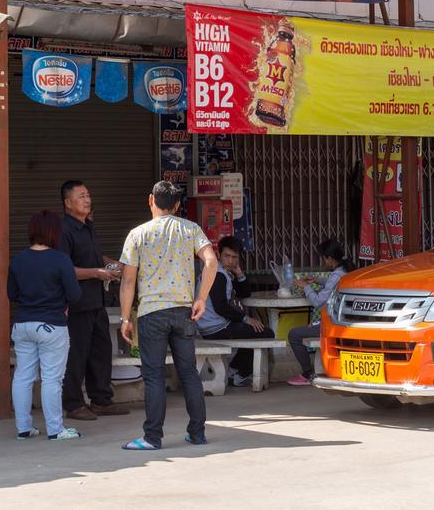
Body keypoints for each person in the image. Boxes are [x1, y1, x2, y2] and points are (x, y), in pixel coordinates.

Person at [118, 181, 218, 451]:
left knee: (153, 375)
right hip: (184, 312)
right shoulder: (191, 229)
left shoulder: (137, 234)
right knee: (188, 373)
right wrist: (202, 298)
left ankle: (152, 438)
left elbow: (128, 281)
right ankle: (197, 433)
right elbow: (211, 261)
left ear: (151, 200)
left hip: (151, 314)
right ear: (176, 205)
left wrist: (125, 318)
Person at [8, 211, 83, 441]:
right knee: (52, 378)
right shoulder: (60, 259)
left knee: (22, 376)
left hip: (22, 324)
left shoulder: (18, 260)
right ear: (54, 233)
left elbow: (12, 294)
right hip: (52, 325)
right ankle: (55, 429)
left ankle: (24, 428)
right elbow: (74, 294)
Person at [58, 180, 129, 421]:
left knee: (101, 351)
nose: (87, 199)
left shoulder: (88, 226)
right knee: (76, 354)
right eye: (81, 196)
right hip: (76, 304)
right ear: (68, 203)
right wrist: (96, 273)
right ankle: (74, 404)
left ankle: (101, 400)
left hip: (97, 300)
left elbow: (96, 257)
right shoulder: (63, 231)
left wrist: (114, 266)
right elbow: (63, 269)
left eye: (88, 194)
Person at [196, 236, 274, 387]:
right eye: (227, 256)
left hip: (216, 326)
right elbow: (221, 307)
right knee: (265, 333)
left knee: (256, 332)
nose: (230, 260)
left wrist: (239, 272)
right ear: (218, 254)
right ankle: (239, 374)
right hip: (215, 328)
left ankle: (234, 370)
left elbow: (245, 293)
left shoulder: (223, 272)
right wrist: (246, 319)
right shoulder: (217, 275)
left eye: (235, 257)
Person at [287, 239, 353, 386]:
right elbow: (331, 283)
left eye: (323, 258)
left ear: (329, 259)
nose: (323, 261)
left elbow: (318, 301)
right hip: (339, 322)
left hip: (332, 325)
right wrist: (317, 280)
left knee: (294, 334)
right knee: (308, 328)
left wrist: (305, 286)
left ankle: (307, 374)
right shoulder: (343, 271)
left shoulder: (337, 275)